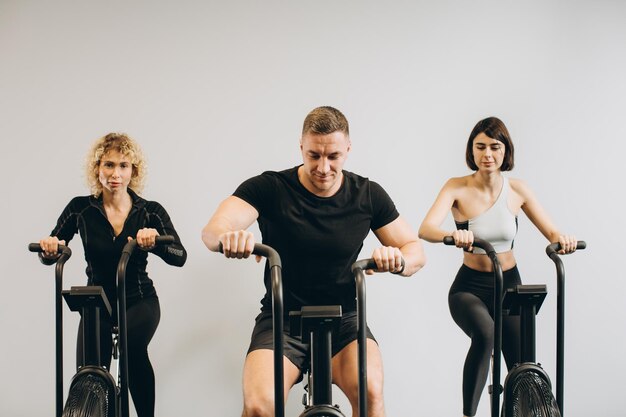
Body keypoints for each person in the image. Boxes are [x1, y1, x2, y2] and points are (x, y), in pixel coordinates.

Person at [202, 106, 426, 417]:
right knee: (258, 405)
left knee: (371, 391)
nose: (323, 167)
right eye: (314, 155)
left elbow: (415, 251)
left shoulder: (368, 195)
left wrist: (396, 258)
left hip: (345, 320)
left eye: (333, 156)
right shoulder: (269, 188)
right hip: (282, 320)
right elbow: (213, 230)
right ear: (301, 147)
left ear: (348, 149)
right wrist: (229, 237)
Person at [418, 117, 577, 417]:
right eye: (480, 147)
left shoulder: (518, 190)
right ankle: (469, 414)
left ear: (505, 151)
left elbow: (553, 233)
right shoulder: (457, 187)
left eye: (495, 147)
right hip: (469, 289)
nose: (487, 154)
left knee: (524, 367)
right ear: (472, 151)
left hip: (511, 287)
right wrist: (453, 235)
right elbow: (425, 228)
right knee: (487, 334)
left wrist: (563, 240)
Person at [38, 132, 187, 417]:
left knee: (131, 349)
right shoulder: (80, 209)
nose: (115, 174)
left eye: (123, 166)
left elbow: (180, 256)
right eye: (108, 165)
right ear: (97, 169)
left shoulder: (149, 212)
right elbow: (54, 247)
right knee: (89, 373)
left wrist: (155, 242)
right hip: (97, 305)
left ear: (133, 171)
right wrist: (49, 248)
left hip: (139, 301)